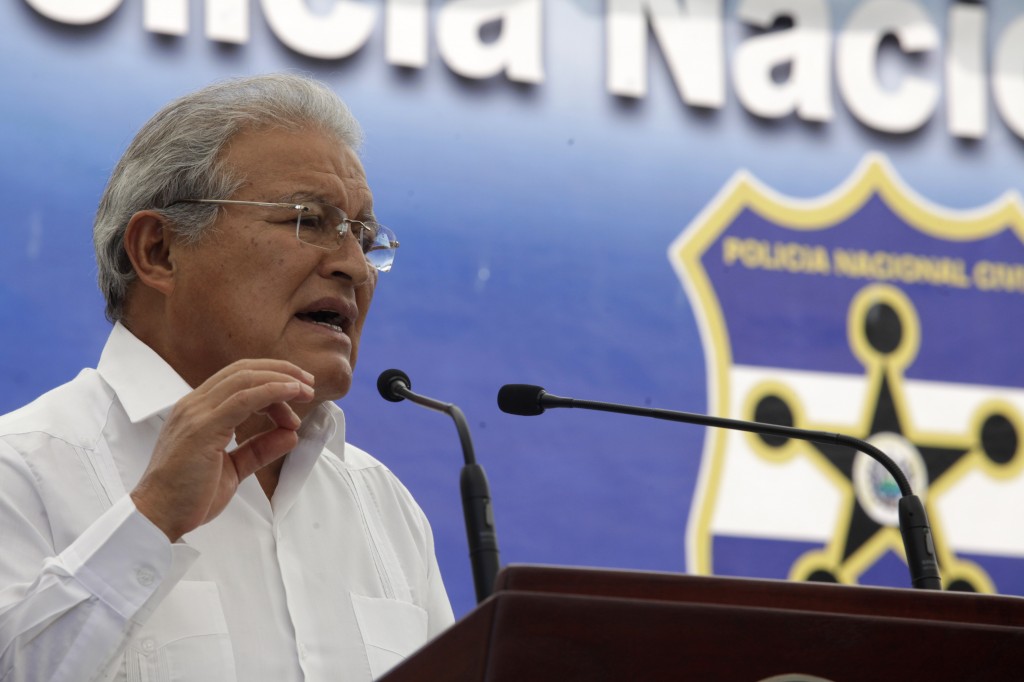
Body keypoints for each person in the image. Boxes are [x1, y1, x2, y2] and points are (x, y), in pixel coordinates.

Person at [0, 73, 454, 682]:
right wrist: (149, 519)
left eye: (364, 236)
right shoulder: (19, 470)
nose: (354, 266)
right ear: (159, 250)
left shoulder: (383, 503)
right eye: (309, 220)